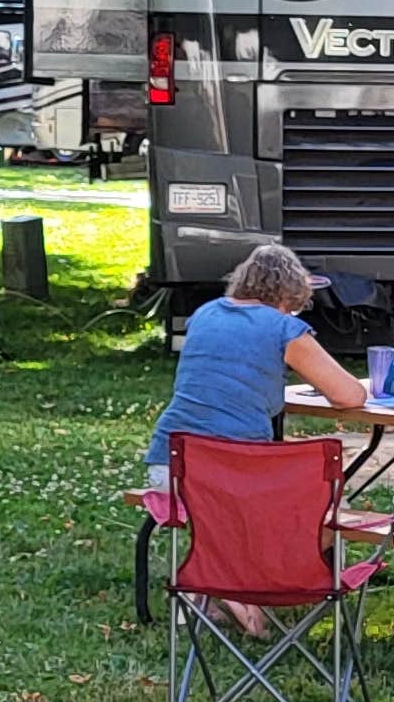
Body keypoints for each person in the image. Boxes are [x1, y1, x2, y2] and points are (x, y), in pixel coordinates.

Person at [143, 247, 371, 618]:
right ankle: (249, 589)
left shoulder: (206, 314)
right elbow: (349, 395)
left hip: (171, 464)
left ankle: (214, 588)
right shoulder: (283, 328)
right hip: (231, 476)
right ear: (287, 297)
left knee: (225, 509)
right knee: (324, 509)